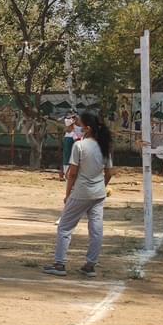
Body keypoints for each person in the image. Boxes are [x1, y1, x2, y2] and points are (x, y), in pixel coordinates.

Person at [43, 111, 114, 279]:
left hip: (81, 192)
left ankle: (59, 264)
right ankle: (90, 265)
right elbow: (109, 173)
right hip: (98, 194)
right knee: (96, 229)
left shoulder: (80, 146)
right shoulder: (104, 146)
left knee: (65, 227)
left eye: (80, 125)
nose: (77, 128)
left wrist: (68, 194)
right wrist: (101, 187)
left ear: (88, 128)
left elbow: (72, 174)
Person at [59, 114, 84, 181]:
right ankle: (67, 175)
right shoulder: (73, 134)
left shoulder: (67, 134)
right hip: (71, 152)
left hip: (67, 153)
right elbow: (77, 141)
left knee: (65, 161)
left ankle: (64, 174)